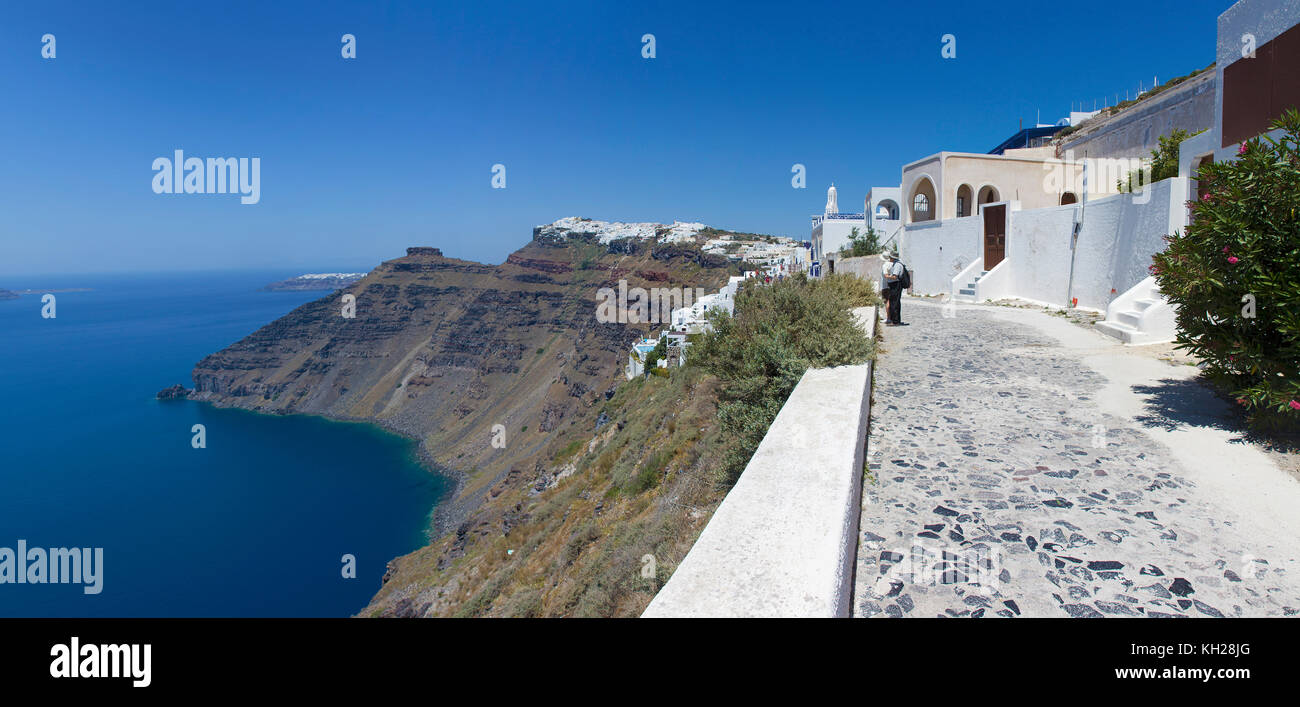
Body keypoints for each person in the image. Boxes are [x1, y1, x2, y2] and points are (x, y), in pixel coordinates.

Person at [881, 251, 905, 326]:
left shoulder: (897, 265)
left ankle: (895, 321)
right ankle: (896, 320)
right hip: (896, 285)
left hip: (895, 285)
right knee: (896, 302)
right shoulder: (897, 264)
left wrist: (887, 276)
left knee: (894, 303)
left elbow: (895, 276)